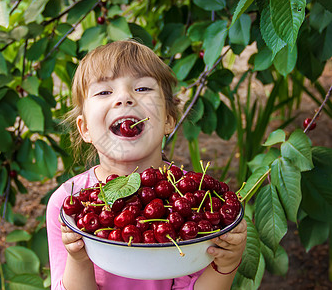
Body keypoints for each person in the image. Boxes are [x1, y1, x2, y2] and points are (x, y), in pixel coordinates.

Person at [46, 40, 247, 290]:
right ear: (85, 129)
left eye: (142, 88)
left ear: (168, 121)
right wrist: (78, 257)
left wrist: (227, 262)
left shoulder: (192, 197)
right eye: (104, 92)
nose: (124, 98)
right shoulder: (68, 204)